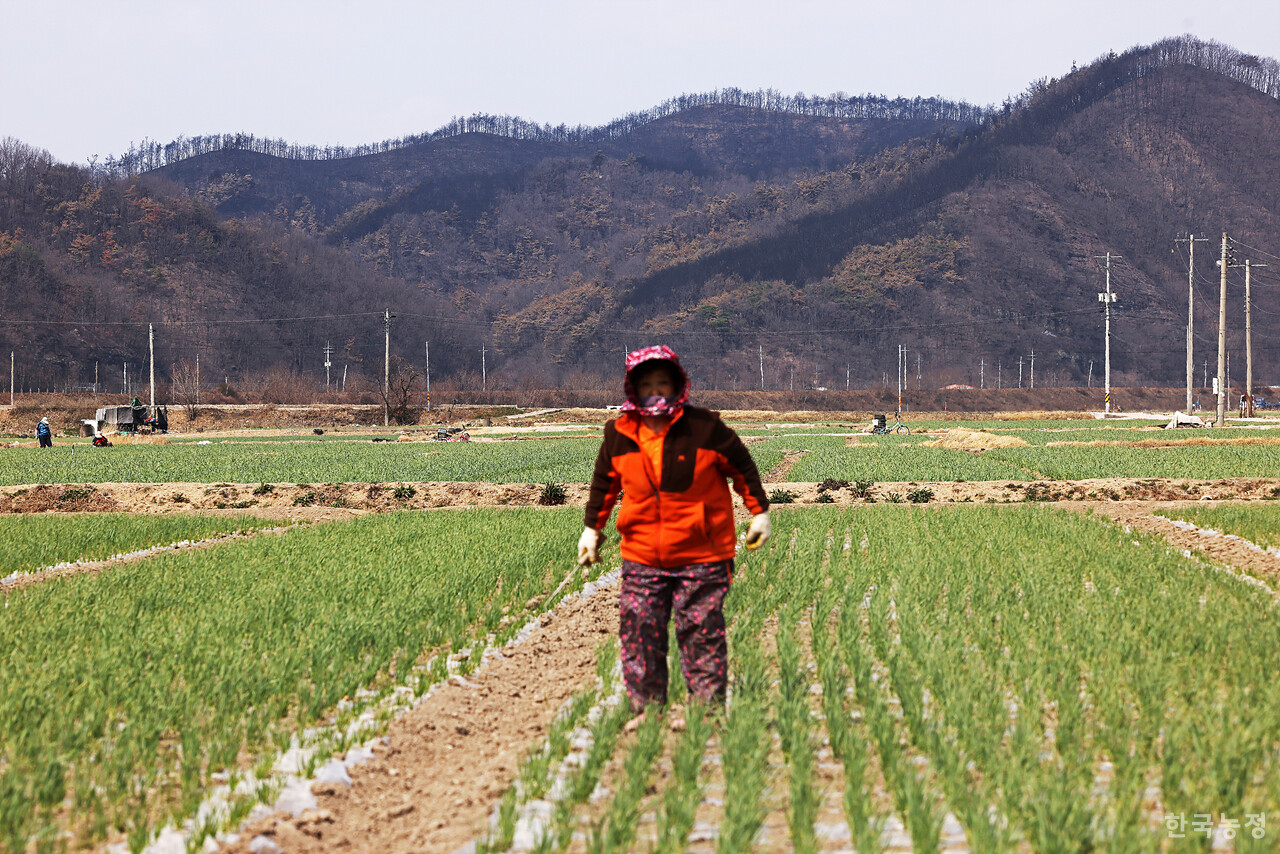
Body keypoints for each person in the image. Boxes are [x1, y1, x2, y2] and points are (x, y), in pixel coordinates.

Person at [579, 345, 770, 717]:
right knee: (640, 634)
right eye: (646, 383)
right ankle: (647, 713)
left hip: (703, 554)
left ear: (678, 384)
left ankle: (706, 716)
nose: (655, 390)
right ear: (632, 388)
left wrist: (759, 511)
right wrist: (592, 530)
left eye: (662, 382)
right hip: (642, 555)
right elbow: (604, 485)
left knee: (701, 635)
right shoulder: (618, 433)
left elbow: (742, 468)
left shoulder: (705, 428)